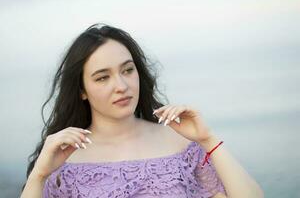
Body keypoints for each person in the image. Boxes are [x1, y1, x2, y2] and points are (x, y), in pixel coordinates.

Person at [20, 23, 263, 198]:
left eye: (127, 70)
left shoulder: (180, 143)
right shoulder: (63, 159)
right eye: (102, 77)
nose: (122, 86)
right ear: (81, 90)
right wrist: (39, 175)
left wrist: (208, 140)